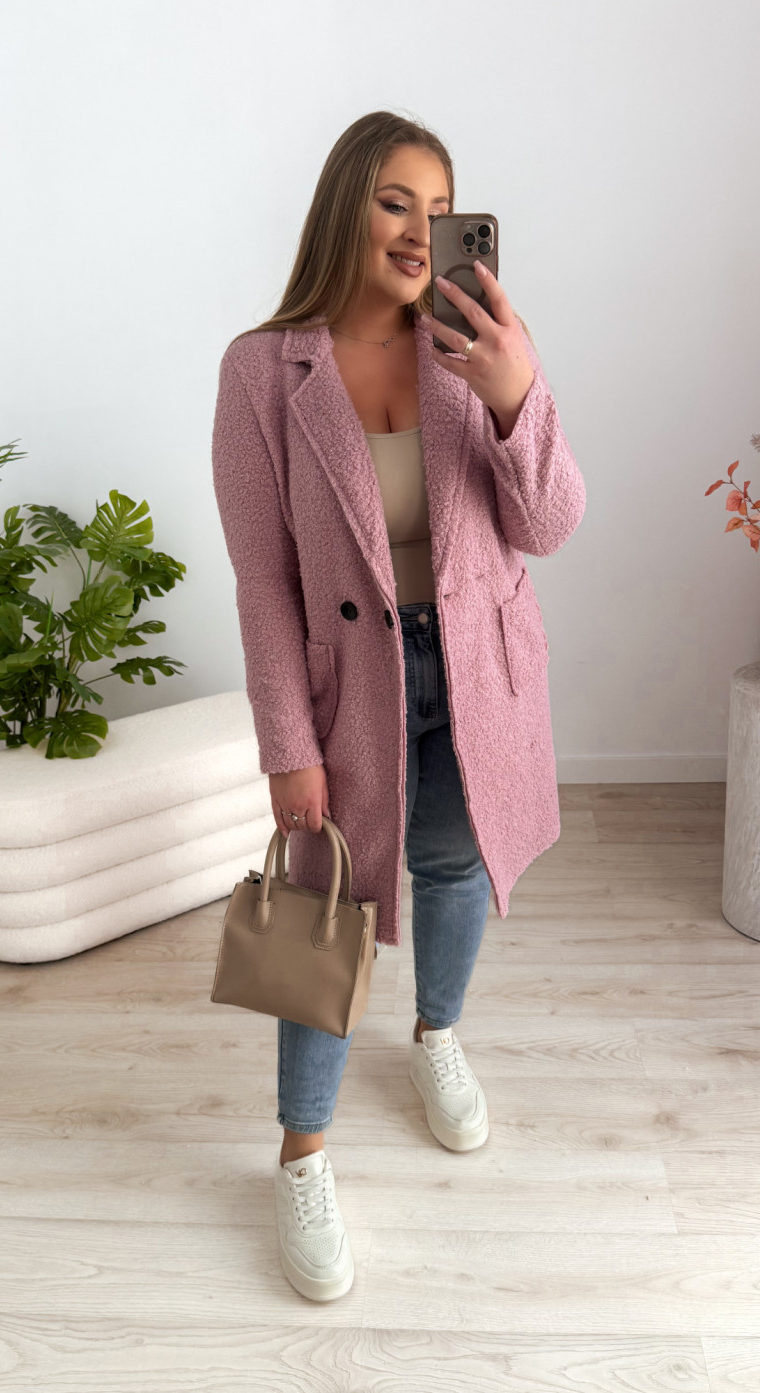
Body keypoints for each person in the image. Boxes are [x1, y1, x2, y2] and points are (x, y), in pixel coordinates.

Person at [211, 110, 585, 1302]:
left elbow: (548, 525)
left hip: (476, 674)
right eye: (393, 202)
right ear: (345, 208)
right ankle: (301, 1155)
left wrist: (515, 395)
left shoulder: (475, 349)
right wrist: (288, 744)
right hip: (348, 690)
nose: (421, 230)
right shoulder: (263, 370)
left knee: (454, 867)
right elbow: (264, 579)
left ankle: (436, 1035)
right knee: (320, 914)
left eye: (438, 208)